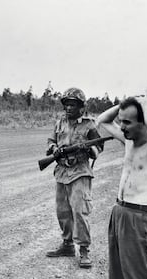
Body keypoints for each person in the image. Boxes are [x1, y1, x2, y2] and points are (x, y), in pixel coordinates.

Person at [96, 96, 147, 279]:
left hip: (139, 217)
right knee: (118, 277)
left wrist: (145, 102)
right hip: (119, 212)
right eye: (121, 121)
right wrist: (124, 105)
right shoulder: (129, 141)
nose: (121, 127)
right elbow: (102, 120)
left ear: (143, 122)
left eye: (127, 122)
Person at [45, 88, 103, 268]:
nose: (69, 108)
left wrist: (87, 148)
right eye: (67, 104)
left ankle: (84, 249)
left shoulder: (90, 125)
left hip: (80, 171)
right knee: (62, 211)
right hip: (62, 171)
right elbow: (50, 141)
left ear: (81, 107)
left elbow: (98, 149)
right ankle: (67, 245)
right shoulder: (59, 122)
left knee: (80, 211)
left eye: (73, 104)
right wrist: (54, 149)